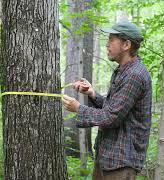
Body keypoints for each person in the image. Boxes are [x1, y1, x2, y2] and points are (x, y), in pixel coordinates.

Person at [62, 21, 152, 180]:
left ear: (126, 44)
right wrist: (92, 94)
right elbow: (116, 108)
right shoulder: (123, 71)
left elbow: (111, 117)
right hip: (108, 158)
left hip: (121, 162)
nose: (107, 45)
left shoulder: (134, 75)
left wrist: (78, 108)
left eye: (111, 40)